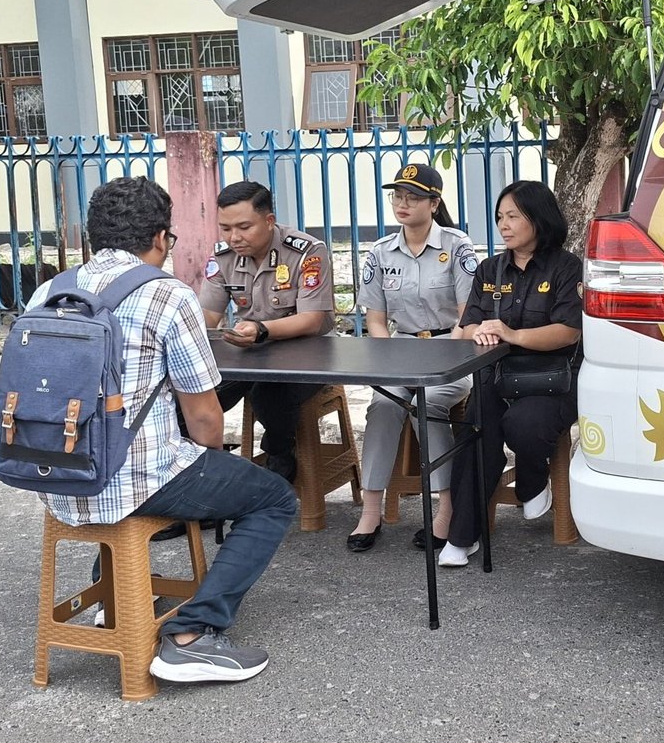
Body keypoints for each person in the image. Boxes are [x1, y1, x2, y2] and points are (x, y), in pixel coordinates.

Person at [28, 176, 296, 684]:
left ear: (94, 236)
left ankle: (116, 601)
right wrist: (212, 465)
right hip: (135, 478)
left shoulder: (49, 290)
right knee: (273, 498)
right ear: (159, 238)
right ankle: (193, 635)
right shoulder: (166, 295)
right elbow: (204, 418)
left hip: (55, 474)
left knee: (143, 483)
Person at [438, 180, 583, 569]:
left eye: (513, 216)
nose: (503, 224)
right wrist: (482, 330)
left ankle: (533, 479)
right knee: (476, 430)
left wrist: (513, 333)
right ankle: (462, 536)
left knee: (523, 423)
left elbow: (569, 330)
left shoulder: (566, 268)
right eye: (500, 217)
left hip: (552, 379)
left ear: (538, 217)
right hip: (499, 375)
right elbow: (467, 326)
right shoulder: (490, 268)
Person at [348, 163, 479, 553]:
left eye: (413, 197)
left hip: (452, 352)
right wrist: (391, 358)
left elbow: (466, 317)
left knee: (430, 404)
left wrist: (442, 358)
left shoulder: (458, 247)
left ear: (434, 203)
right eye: (398, 196)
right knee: (382, 406)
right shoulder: (380, 252)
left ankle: (445, 509)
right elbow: (375, 320)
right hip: (400, 351)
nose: (403, 204)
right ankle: (370, 510)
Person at [197, 180, 335, 483]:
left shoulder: (307, 252)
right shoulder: (222, 257)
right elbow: (207, 315)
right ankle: (206, 478)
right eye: (226, 228)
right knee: (196, 392)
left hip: (309, 355)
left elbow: (312, 319)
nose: (234, 237)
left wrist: (261, 329)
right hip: (250, 353)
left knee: (268, 394)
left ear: (268, 221)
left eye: (244, 227)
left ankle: (279, 461)